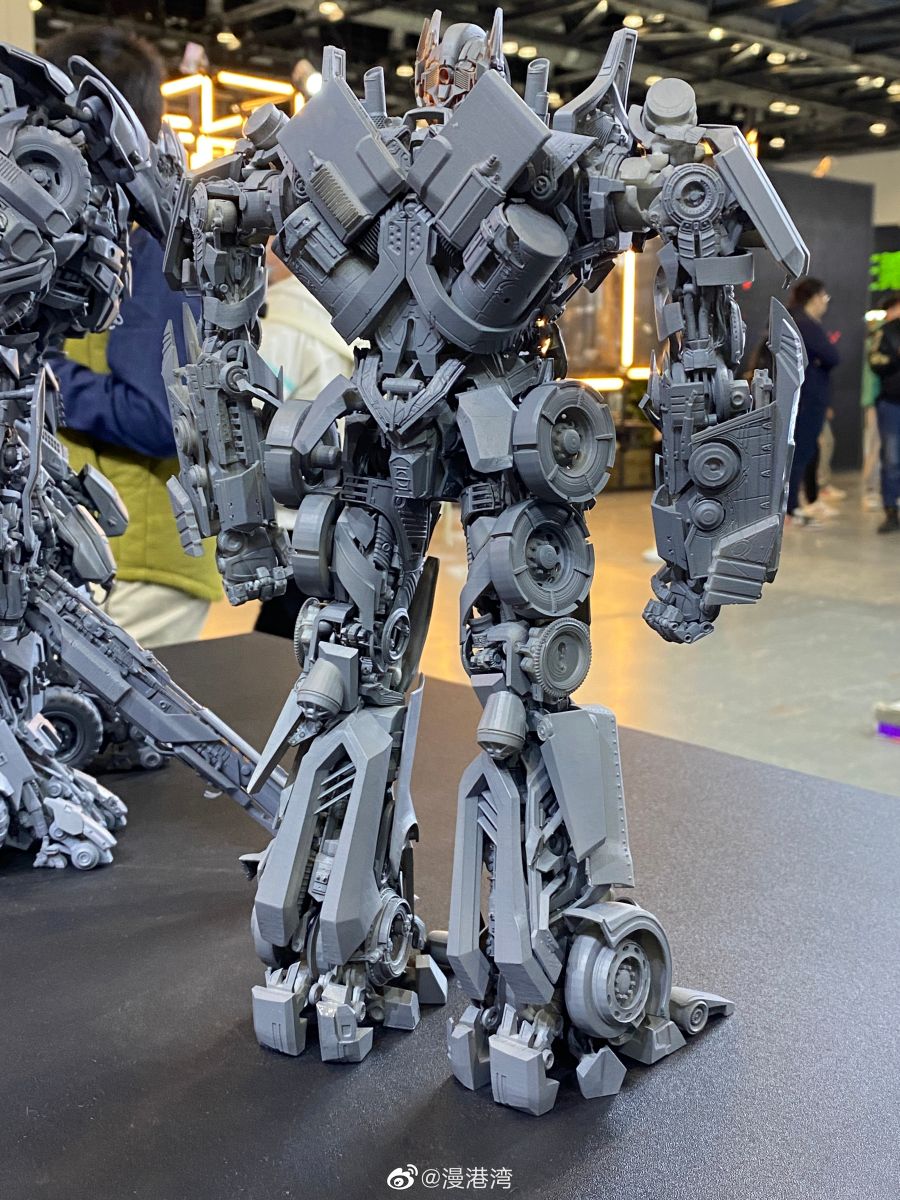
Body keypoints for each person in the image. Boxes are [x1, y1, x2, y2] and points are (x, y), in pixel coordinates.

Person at [42, 28, 221, 646]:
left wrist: (42, 380)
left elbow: (160, 416)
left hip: (140, 562)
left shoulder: (154, 243)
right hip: (102, 549)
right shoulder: (102, 233)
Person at [253, 251, 354, 638]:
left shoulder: (286, 325)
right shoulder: (336, 318)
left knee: (285, 639)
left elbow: (254, 411)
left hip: (288, 515)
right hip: (328, 512)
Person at [786, 277, 841, 524]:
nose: (825, 303)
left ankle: (800, 502)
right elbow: (832, 356)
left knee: (807, 450)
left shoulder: (793, 320)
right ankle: (791, 507)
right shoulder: (805, 324)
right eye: (824, 297)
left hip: (801, 396)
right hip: (807, 397)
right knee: (801, 451)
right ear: (816, 297)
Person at [867, 291, 900, 534]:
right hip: (892, 403)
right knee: (891, 458)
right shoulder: (885, 332)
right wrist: (895, 357)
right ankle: (890, 510)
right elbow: (875, 361)